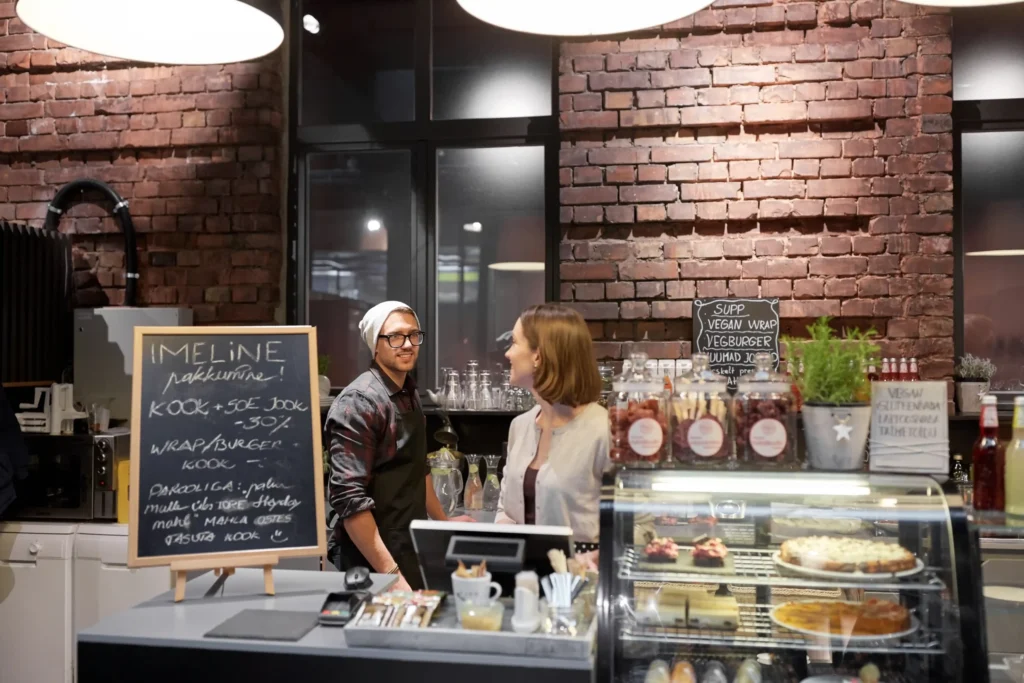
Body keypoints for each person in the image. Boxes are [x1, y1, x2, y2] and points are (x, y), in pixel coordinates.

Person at [326, 301, 471, 590]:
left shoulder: (408, 392)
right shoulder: (358, 402)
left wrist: (443, 521)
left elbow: (418, 468)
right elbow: (350, 501)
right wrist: (390, 576)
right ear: (375, 345)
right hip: (370, 557)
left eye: (413, 335)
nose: (407, 344)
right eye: (395, 336)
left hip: (407, 544)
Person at [495, 304, 609, 565]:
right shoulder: (520, 426)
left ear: (538, 355)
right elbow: (506, 508)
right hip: (524, 577)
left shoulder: (604, 430)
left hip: (583, 582)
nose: (508, 353)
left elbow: (637, 526)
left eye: (514, 342)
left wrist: (585, 562)